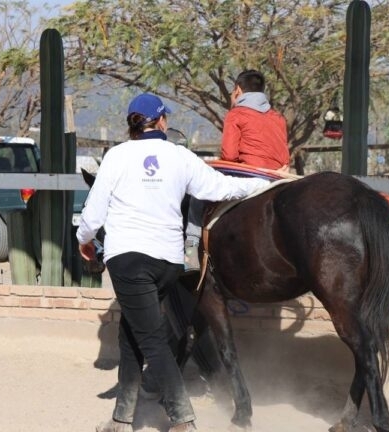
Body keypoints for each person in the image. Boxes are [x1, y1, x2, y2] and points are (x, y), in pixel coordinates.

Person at [76, 93, 269, 432]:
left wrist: (84, 242)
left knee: (151, 340)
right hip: (167, 261)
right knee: (131, 336)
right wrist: (265, 184)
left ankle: (183, 421)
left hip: (129, 260)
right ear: (162, 121)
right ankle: (121, 419)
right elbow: (221, 188)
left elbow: (92, 216)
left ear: (132, 124)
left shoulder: (117, 156)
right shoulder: (181, 156)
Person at [184, 69, 290, 269]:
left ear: (238, 91)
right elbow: (283, 156)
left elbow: (230, 156)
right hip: (279, 178)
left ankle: (191, 248)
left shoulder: (236, 114)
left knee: (199, 191)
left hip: (250, 179)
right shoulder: (278, 117)